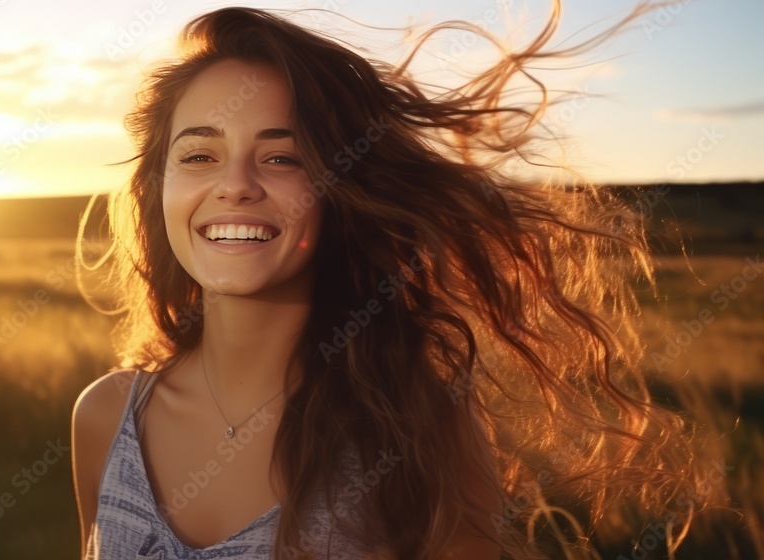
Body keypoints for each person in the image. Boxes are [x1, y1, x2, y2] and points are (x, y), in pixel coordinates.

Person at [71, 3, 721, 559]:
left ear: (339, 190)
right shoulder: (105, 417)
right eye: (199, 155)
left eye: (282, 157)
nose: (235, 184)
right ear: (158, 187)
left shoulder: (417, 425)